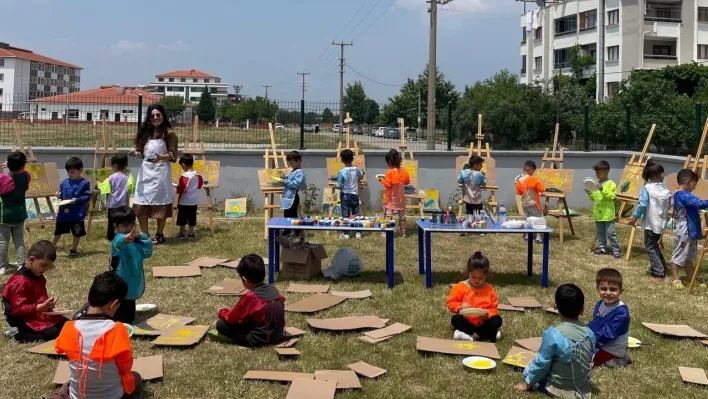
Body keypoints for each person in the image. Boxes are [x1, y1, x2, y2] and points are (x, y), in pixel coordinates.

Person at [50, 272, 142, 399]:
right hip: (113, 396)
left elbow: (59, 348)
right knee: (135, 377)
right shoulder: (118, 330)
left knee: (68, 384)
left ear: (87, 298)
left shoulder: (68, 328)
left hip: (78, 395)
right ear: (114, 305)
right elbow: (125, 368)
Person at [517, 283, 595, 398]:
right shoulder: (590, 333)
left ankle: (541, 386)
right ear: (582, 310)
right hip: (583, 387)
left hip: (559, 388)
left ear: (555, 305)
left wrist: (527, 384)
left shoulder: (553, 334)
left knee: (530, 368)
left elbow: (541, 364)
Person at [213, 254, 285, 347]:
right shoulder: (273, 290)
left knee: (221, 324)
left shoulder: (251, 297)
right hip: (277, 336)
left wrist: (221, 311)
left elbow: (233, 317)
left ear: (244, 279)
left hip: (258, 340)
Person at [131, 104, 178, 245]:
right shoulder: (144, 133)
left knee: (160, 203)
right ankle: (145, 235)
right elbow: (142, 152)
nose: (155, 118)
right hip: (145, 172)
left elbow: (173, 156)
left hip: (161, 173)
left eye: (158, 115)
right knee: (141, 202)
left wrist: (160, 157)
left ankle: (159, 234)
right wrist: (135, 153)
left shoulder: (169, 133)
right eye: (152, 116)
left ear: (163, 116)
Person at [1, 240, 65, 342]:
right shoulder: (20, 281)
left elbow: (40, 299)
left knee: (66, 324)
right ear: (31, 260)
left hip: (35, 313)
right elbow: (18, 309)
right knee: (52, 332)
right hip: (21, 319)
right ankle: (18, 333)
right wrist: (42, 307)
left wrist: (49, 309)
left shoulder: (39, 276)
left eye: (48, 266)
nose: (46, 269)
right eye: (43, 265)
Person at [627, 160, 671, 280]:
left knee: (650, 247)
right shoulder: (665, 190)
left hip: (651, 224)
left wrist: (635, 216)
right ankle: (662, 267)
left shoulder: (647, 188)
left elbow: (642, 204)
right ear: (661, 175)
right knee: (654, 245)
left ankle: (658, 272)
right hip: (661, 224)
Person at [447, 251, 502, 342]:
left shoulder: (489, 288)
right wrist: (460, 307)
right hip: (467, 320)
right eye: (474, 277)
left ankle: (470, 334)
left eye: (481, 278)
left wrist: (487, 315)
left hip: (483, 322)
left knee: (497, 319)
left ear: (485, 276)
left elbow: (494, 307)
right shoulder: (461, 286)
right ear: (468, 273)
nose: (477, 280)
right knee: (455, 319)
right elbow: (451, 302)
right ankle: (485, 334)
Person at [109, 206, 152, 324]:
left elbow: (147, 253)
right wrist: (125, 239)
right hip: (121, 277)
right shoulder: (118, 238)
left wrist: (143, 238)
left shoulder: (137, 241)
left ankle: (129, 316)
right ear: (116, 227)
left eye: (131, 224)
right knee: (120, 301)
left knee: (131, 299)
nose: (129, 228)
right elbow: (118, 243)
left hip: (134, 277)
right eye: (124, 226)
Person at [670, 168, 708, 289]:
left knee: (690, 256)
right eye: (694, 184)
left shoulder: (685, 195)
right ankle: (675, 279)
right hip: (684, 230)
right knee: (679, 253)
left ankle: (690, 278)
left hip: (690, 230)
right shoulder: (681, 195)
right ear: (687, 182)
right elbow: (698, 203)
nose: (695, 187)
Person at [588, 268, 631, 368]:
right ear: (597, 289)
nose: (608, 293)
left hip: (612, 349)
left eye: (613, 289)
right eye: (604, 289)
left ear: (621, 291)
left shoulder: (621, 312)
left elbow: (607, 333)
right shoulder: (600, 304)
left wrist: (587, 339)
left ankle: (620, 360)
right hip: (601, 344)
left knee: (588, 361)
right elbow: (595, 324)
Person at [52, 157, 91, 257]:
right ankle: (50, 248)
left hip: (76, 214)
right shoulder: (65, 182)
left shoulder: (84, 183)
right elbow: (62, 194)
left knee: (76, 233)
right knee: (58, 231)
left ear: (80, 170)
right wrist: (58, 194)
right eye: (68, 172)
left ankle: (74, 250)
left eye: (73, 172)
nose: (70, 174)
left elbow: (87, 196)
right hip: (64, 213)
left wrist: (77, 200)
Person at [0, 151, 31, 275]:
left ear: (9, 165)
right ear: (23, 166)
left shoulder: (4, 178)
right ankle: (21, 264)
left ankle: (2, 266)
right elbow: (26, 183)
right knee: (19, 240)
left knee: (3, 241)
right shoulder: (26, 176)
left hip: (5, 215)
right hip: (20, 214)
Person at [586, 160, 621, 259]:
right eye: (596, 173)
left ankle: (616, 249)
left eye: (599, 173)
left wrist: (602, 189)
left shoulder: (611, 184)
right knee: (600, 232)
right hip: (598, 213)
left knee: (611, 233)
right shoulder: (596, 184)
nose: (597, 175)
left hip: (608, 213)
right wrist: (590, 193)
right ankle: (603, 248)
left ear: (607, 172)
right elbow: (595, 197)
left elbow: (611, 197)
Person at [100, 154, 134, 242]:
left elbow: (105, 189)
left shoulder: (111, 177)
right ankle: (124, 235)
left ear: (115, 165)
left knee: (111, 222)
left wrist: (98, 184)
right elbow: (131, 189)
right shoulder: (127, 177)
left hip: (113, 204)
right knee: (123, 221)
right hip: (123, 204)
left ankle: (110, 237)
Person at [379, 149, 410, 236]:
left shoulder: (390, 172)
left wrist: (381, 180)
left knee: (389, 215)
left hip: (391, 198)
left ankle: (387, 231)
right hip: (401, 199)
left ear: (389, 162)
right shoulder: (404, 171)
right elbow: (407, 182)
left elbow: (388, 184)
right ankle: (403, 232)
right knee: (402, 216)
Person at [335, 148, 364, 239]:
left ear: (342, 160)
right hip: (354, 193)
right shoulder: (357, 169)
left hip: (345, 194)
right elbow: (361, 175)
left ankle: (346, 232)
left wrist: (335, 186)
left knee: (345, 213)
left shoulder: (342, 171)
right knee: (355, 212)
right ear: (352, 159)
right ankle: (358, 232)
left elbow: (339, 185)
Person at [515, 160, 545, 243]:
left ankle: (527, 235)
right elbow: (541, 188)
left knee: (527, 219)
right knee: (538, 219)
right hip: (533, 203)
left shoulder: (519, 180)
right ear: (531, 170)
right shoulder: (533, 179)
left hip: (525, 203)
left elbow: (519, 192)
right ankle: (538, 237)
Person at [175, 154, 204, 239]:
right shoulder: (197, 175)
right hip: (193, 201)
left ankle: (182, 233)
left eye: (182, 166)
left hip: (184, 201)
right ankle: (191, 233)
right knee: (192, 218)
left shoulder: (184, 176)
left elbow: (182, 189)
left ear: (183, 164)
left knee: (182, 218)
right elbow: (200, 186)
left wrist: (177, 188)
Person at [281, 151, 306, 236]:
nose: (290, 165)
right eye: (290, 163)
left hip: (293, 197)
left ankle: (296, 231)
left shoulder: (299, 172)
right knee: (287, 214)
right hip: (288, 197)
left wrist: (285, 181)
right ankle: (289, 230)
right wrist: (284, 177)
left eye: (292, 163)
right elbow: (289, 177)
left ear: (298, 161)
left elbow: (296, 183)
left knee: (292, 214)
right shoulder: (293, 171)